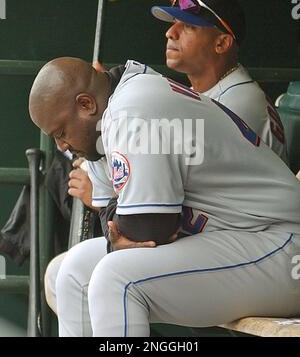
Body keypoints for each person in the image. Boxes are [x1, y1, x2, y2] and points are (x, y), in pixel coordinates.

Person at [29, 57, 300, 337]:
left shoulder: (131, 108)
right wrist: (122, 221)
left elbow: (148, 226)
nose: (61, 145)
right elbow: (110, 217)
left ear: (86, 104)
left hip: (283, 246)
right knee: (76, 269)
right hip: (235, 237)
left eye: (61, 133)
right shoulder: (103, 121)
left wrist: (125, 222)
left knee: (116, 279)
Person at [151, 0, 288, 162]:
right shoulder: (218, 90)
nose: (170, 33)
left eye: (188, 26)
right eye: (173, 24)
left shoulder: (235, 104)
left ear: (221, 44)